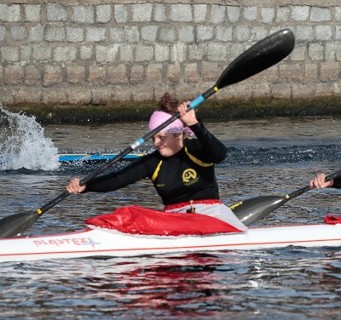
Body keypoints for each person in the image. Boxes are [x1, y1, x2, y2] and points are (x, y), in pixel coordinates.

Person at [65, 93, 247, 231]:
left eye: (161, 137)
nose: (156, 143)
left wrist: (195, 124)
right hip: (174, 221)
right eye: (153, 138)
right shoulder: (153, 162)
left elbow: (220, 154)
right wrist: (86, 186)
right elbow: (117, 179)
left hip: (211, 216)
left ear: (177, 134)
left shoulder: (195, 149)